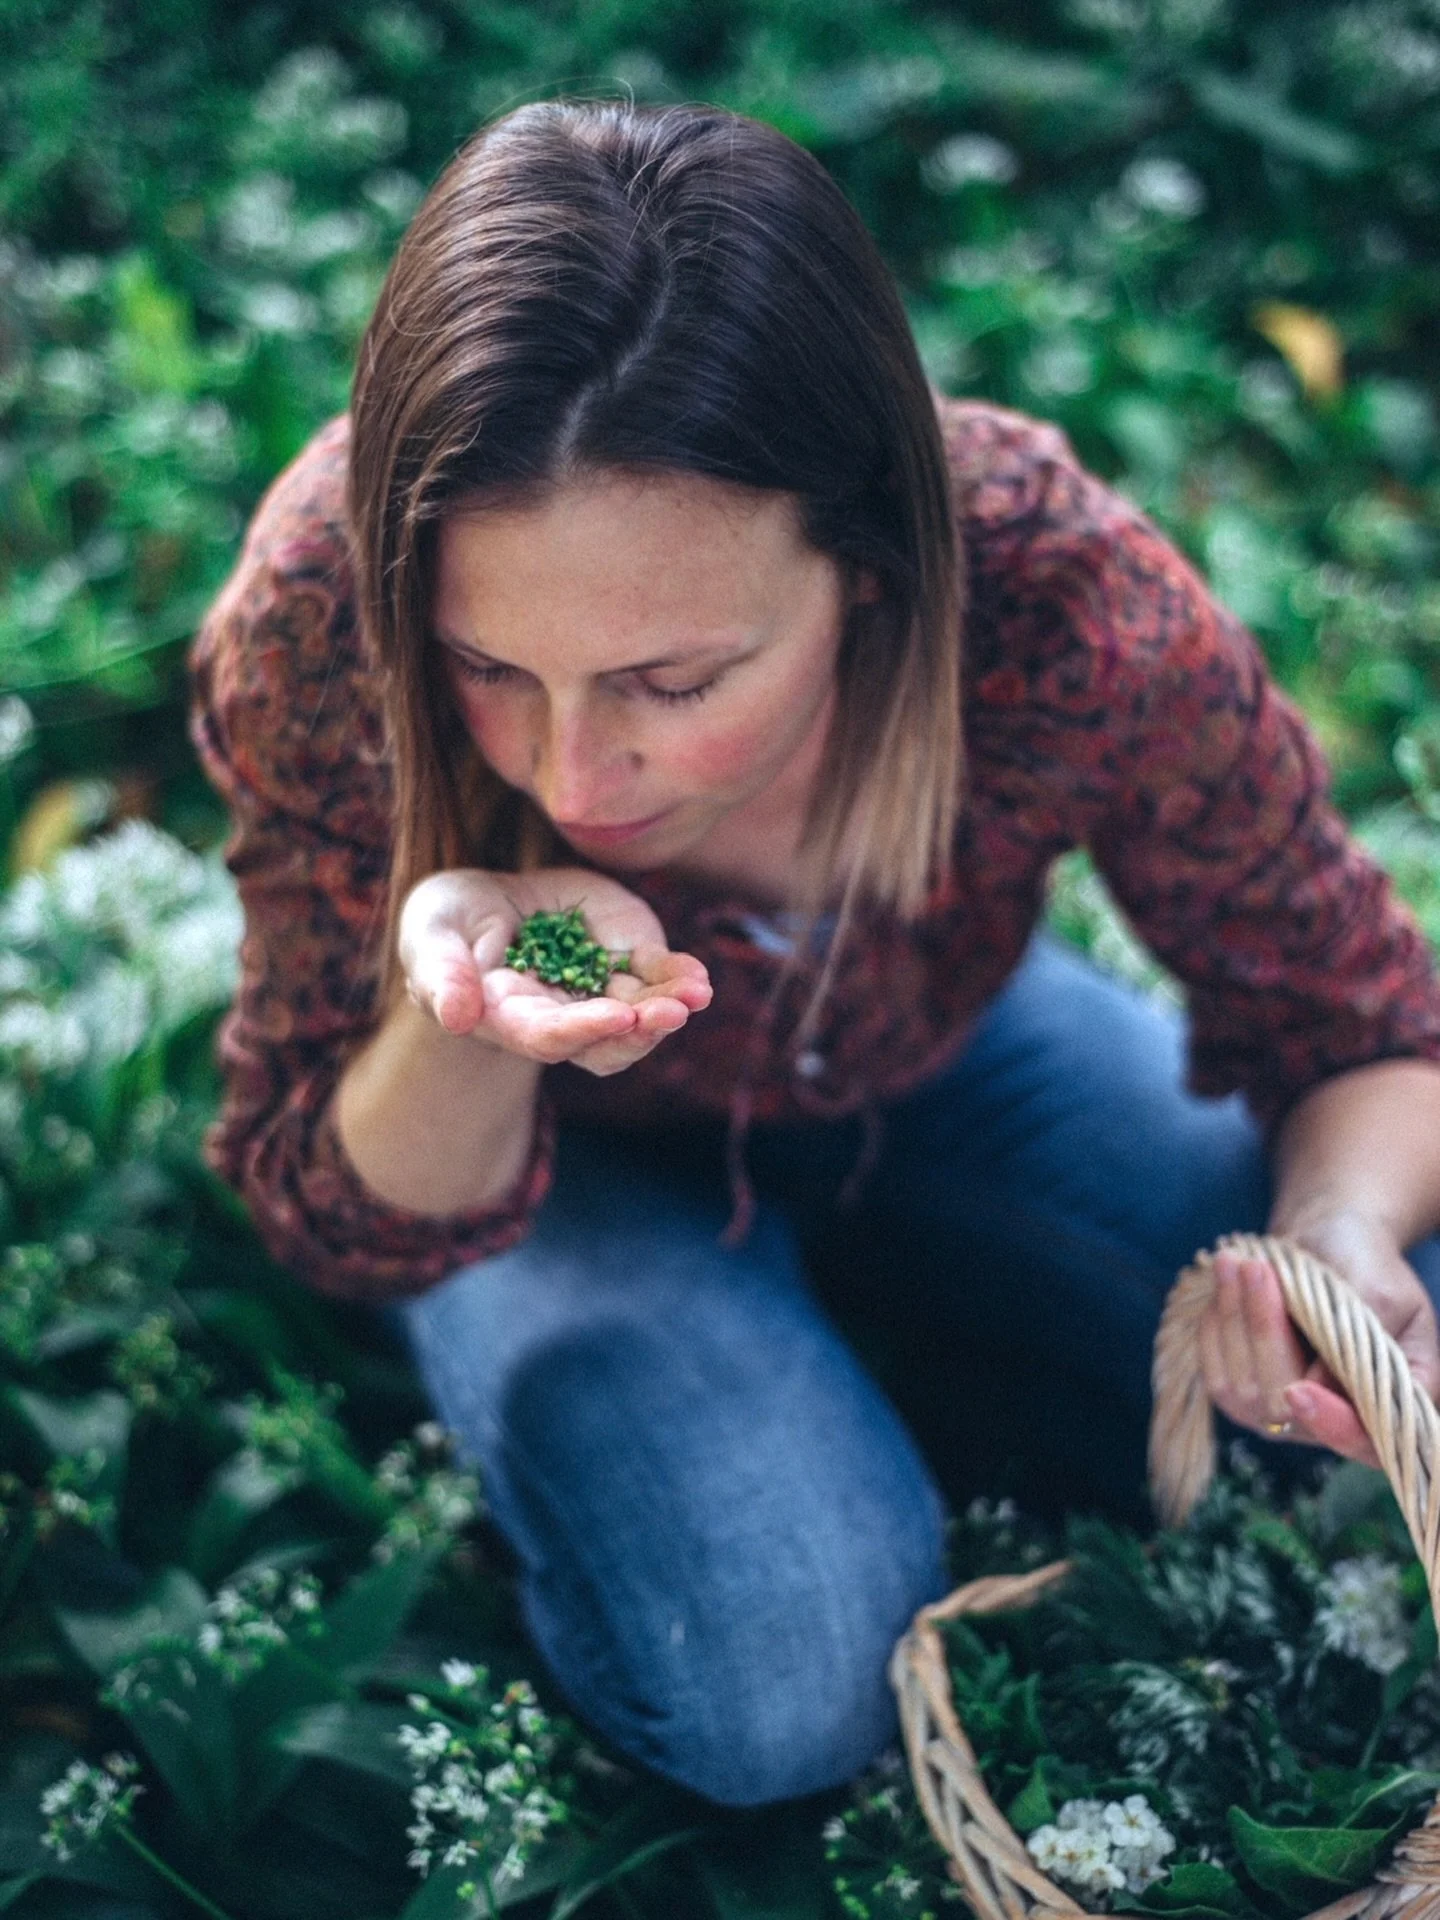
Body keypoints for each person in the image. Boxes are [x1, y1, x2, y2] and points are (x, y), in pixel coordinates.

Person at [190, 99, 1440, 1808]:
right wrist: (465, 1004)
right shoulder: (322, 609)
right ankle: (799, 1371)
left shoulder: (1054, 593)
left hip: (929, 1060)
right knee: (782, 1676)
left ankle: (856, 1323)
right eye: (492, 668)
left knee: (1394, 1352)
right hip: (556, 1172)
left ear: (866, 566)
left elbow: (1361, 1016)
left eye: (674, 682)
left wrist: (1333, 1235)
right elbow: (335, 1209)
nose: (570, 778)